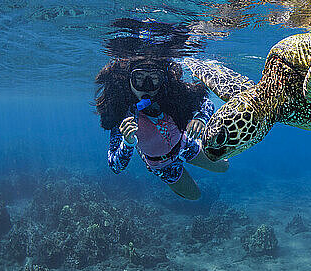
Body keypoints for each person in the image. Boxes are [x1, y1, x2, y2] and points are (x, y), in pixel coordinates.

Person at [95, 55, 228, 200]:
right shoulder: (122, 113)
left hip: (185, 144)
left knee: (224, 166)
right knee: (194, 195)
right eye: (139, 78)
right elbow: (115, 166)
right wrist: (128, 142)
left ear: (162, 80)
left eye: (154, 79)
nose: (147, 87)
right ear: (129, 80)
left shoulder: (171, 94)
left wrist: (200, 118)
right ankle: (147, 155)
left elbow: (206, 102)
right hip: (162, 164)